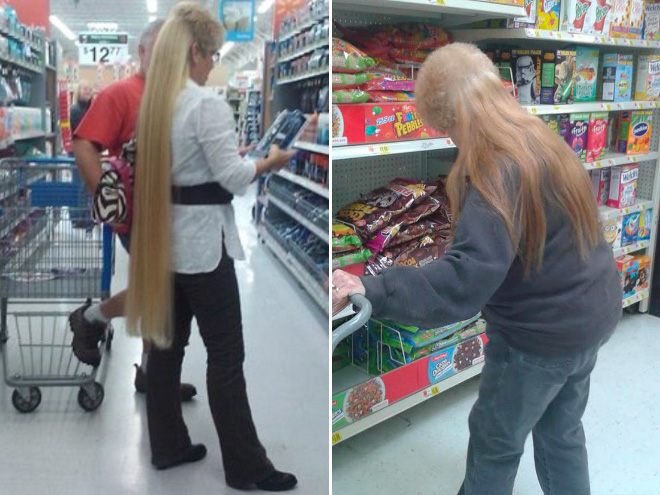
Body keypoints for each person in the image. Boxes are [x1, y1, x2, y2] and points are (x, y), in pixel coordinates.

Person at [332, 42, 622, 495]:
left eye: (448, 131)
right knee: (562, 432)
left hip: (538, 337)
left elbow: (463, 283)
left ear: (456, 122)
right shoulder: (539, 136)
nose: (451, 142)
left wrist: (374, 287)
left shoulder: (494, 170)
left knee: (495, 442)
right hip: (591, 313)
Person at [124, 3, 297, 490]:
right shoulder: (205, 104)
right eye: (214, 53)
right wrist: (268, 162)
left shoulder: (156, 105)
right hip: (204, 248)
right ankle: (245, 465)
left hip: (165, 243)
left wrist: (230, 158)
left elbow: (191, 169)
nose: (214, 62)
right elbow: (235, 180)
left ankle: (169, 446)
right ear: (195, 51)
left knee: (165, 347)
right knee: (225, 357)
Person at [69, 19, 197, 402]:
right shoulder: (122, 94)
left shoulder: (179, 94)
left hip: (176, 212)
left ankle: (148, 371)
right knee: (161, 290)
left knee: (161, 293)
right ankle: (94, 320)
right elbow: (84, 145)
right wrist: (106, 199)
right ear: (142, 53)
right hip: (139, 216)